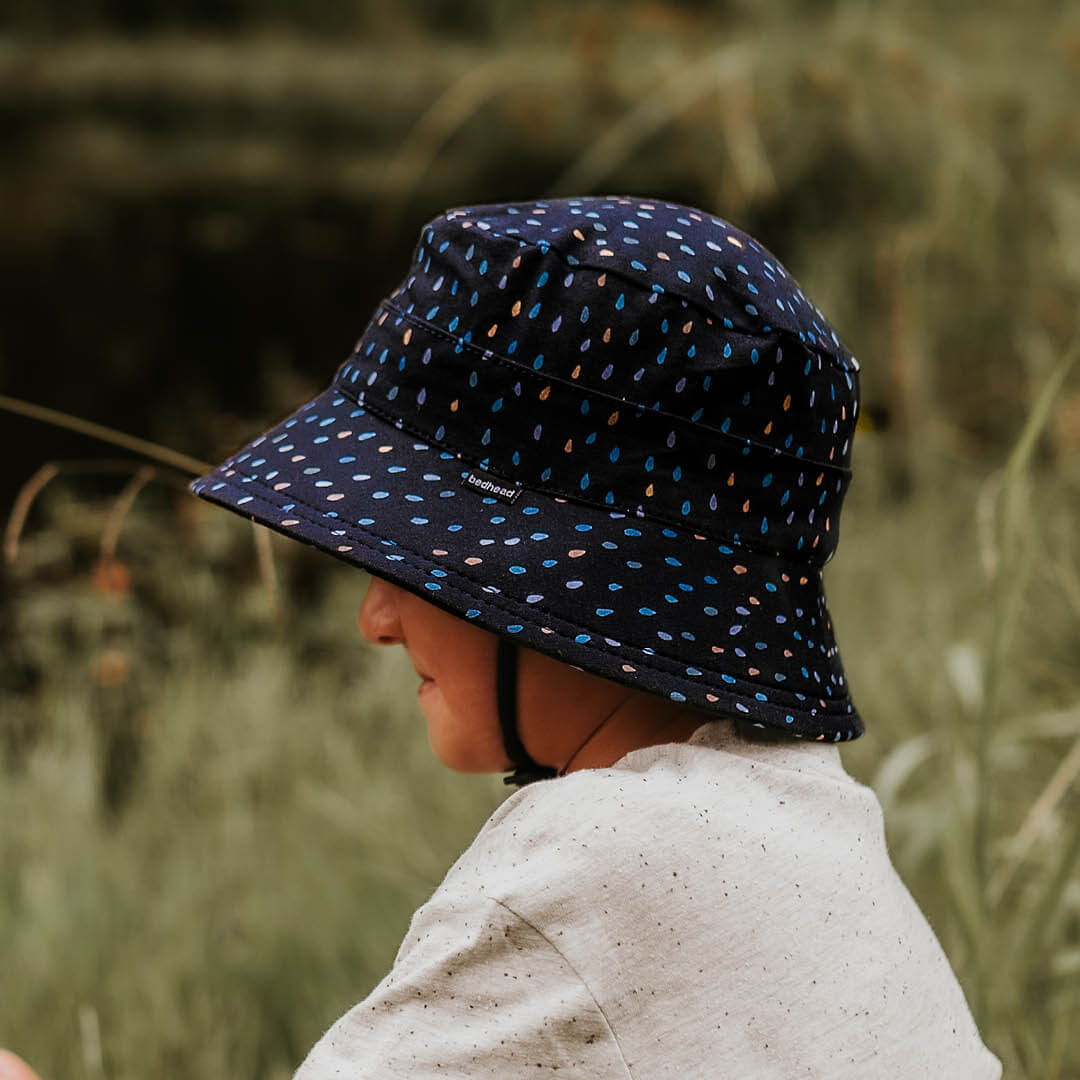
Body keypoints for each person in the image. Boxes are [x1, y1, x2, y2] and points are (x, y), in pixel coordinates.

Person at [203, 196, 995, 1076]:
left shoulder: (602, 863)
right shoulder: (807, 815)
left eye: (411, 562)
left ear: (553, 576)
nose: (375, 621)